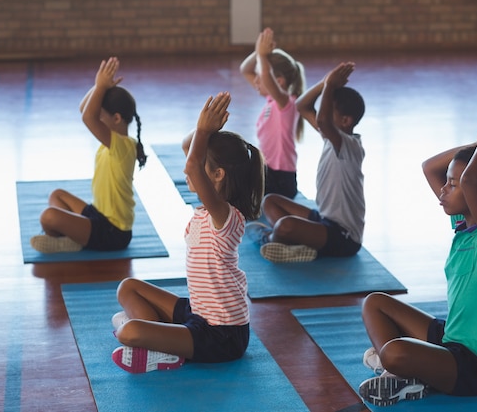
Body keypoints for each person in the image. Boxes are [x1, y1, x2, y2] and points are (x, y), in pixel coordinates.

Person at [357, 102, 477, 406]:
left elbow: (471, 181)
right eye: (446, 183)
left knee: (396, 351)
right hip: (452, 338)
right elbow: (429, 167)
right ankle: (397, 370)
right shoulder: (461, 225)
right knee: (374, 303)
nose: (443, 190)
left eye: (452, 184)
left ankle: (400, 367)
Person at [111, 92, 265, 373]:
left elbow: (193, 165)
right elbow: (189, 149)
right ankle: (158, 340)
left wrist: (205, 131)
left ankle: (160, 346)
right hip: (197, 312)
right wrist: (206, 131)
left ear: (218, 175)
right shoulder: (206, 212)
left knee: (127, 331)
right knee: (128, 287)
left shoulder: (227, 217)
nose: (186, 167)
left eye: (199, 164)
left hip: (223, 335)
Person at [247, 62, 365, 263]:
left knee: (286, 226)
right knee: (270, 201)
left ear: (345, 121)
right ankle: (292, 243)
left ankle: (270, 239)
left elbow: (322, 122)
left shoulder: (348, 145)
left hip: (345, 238)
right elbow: (302, 106)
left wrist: (329, 87)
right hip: (324, 220)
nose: (321, 115)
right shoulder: (332, 138)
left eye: (328, 112)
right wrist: (324, 82)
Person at [30, 57, 147, 254]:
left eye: (101, 117)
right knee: (56, 195)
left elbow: (87, 117)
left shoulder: (123, 146)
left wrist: (101, 87)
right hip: (98, 214)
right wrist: (98, 86)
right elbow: (84, 109)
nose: (97, 121)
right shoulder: (113, 142)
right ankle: (75, 237)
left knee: (48, 217)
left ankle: (71, 241)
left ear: (117, 118)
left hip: (113, 232)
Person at [239, 27, 305, 199]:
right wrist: (258, 52)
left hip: (281, 179)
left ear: (280, 82)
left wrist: (262, 56)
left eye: (259, 76)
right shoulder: (270, 101)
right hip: (267, 173)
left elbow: (266, 75)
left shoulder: (287, 104)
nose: (256, 80)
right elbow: (245, 69)